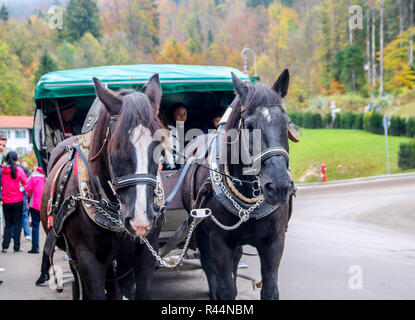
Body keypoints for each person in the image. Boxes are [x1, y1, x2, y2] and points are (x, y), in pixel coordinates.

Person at [1, 152, 27, 253]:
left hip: (6, 201)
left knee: (8, 224)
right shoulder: (19, 170)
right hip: (18, 200)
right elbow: (26, 183)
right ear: (16, 159)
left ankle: (5, 246)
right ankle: (17, 246)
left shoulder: (2, 170)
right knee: (17, 224)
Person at [25, 165, 45, 254]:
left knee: (35, 227)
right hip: (46, 205)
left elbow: (27, 188)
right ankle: (51, 248)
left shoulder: (33, 175)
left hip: (35, 204)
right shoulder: (47, 174)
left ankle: (35, 248)